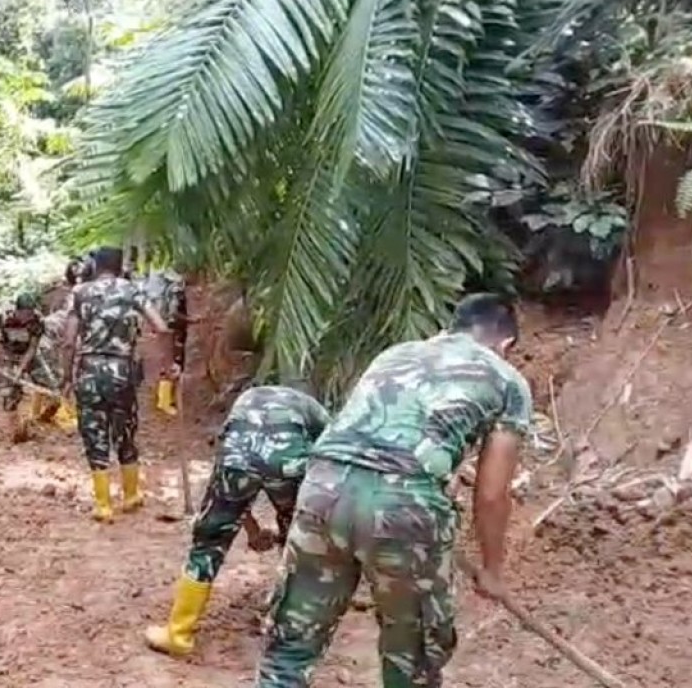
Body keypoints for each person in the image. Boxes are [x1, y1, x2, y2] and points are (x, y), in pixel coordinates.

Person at [254, 294, 533, 688]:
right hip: (403, 508)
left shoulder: (396, 354)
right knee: (411, 660)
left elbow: (366, 429)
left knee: (290, 648)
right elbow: (491, 494)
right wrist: (492, 570)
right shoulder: (507, 381)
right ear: (505, 345)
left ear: (448, 329)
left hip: (323, 488)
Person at [145, 380, 330, 657]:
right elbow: (331, 451)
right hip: (289, 462)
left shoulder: (248, 398)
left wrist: (253, 531)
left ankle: (178, 633)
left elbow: (230, 468)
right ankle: (282, 627)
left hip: (236, 458)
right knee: (298, 538)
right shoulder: (311, 408)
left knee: (209, 540)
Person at [60, 246, 169, 522]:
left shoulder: (80, 293)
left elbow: (68, 341)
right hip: (122, 370)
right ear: (120, 267)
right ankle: (131, 495)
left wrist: (65, 378)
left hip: (89, 371)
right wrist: (169, 366)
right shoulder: (132, 291)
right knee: (125, 431)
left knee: (94, 435)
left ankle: (103, 504)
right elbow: (161, 327)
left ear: (96, 266)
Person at [0, 293, 57, 441]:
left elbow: (33, 348)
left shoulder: (37, 321)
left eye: (30, 313)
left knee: (52, 390)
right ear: (18, 311)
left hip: (28, 354)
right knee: (10, 392)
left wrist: (21, 369)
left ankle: (42, 419)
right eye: (25, 313)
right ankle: (15, 427)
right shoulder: (2, 317)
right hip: (7, 353)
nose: (28, 316)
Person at [141, 266, 190, 415]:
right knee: (170, 362)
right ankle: (164, 401)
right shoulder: (176, 290)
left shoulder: (169, 289)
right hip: (170, 329)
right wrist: (191, 320)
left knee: (169, 362)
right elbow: (174, 313)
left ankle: (165, 399)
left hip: (169, 328)